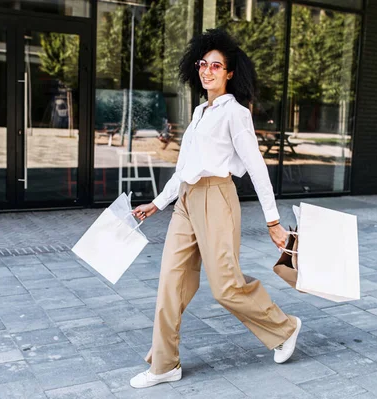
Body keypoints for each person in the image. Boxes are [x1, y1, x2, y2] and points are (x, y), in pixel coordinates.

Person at [129, 28, 302, 389]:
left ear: (229, 73)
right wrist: (158, 203)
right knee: (170, 283)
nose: (207, 71)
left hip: (217, 200)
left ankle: (284, 327)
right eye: (203, 64)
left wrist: (273, 222)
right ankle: (164, 364)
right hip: (187, 202)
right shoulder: (199, 111)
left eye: (216, 66)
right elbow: (184, 168)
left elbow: (256, 167)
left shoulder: (235, 113)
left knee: (225, 288)